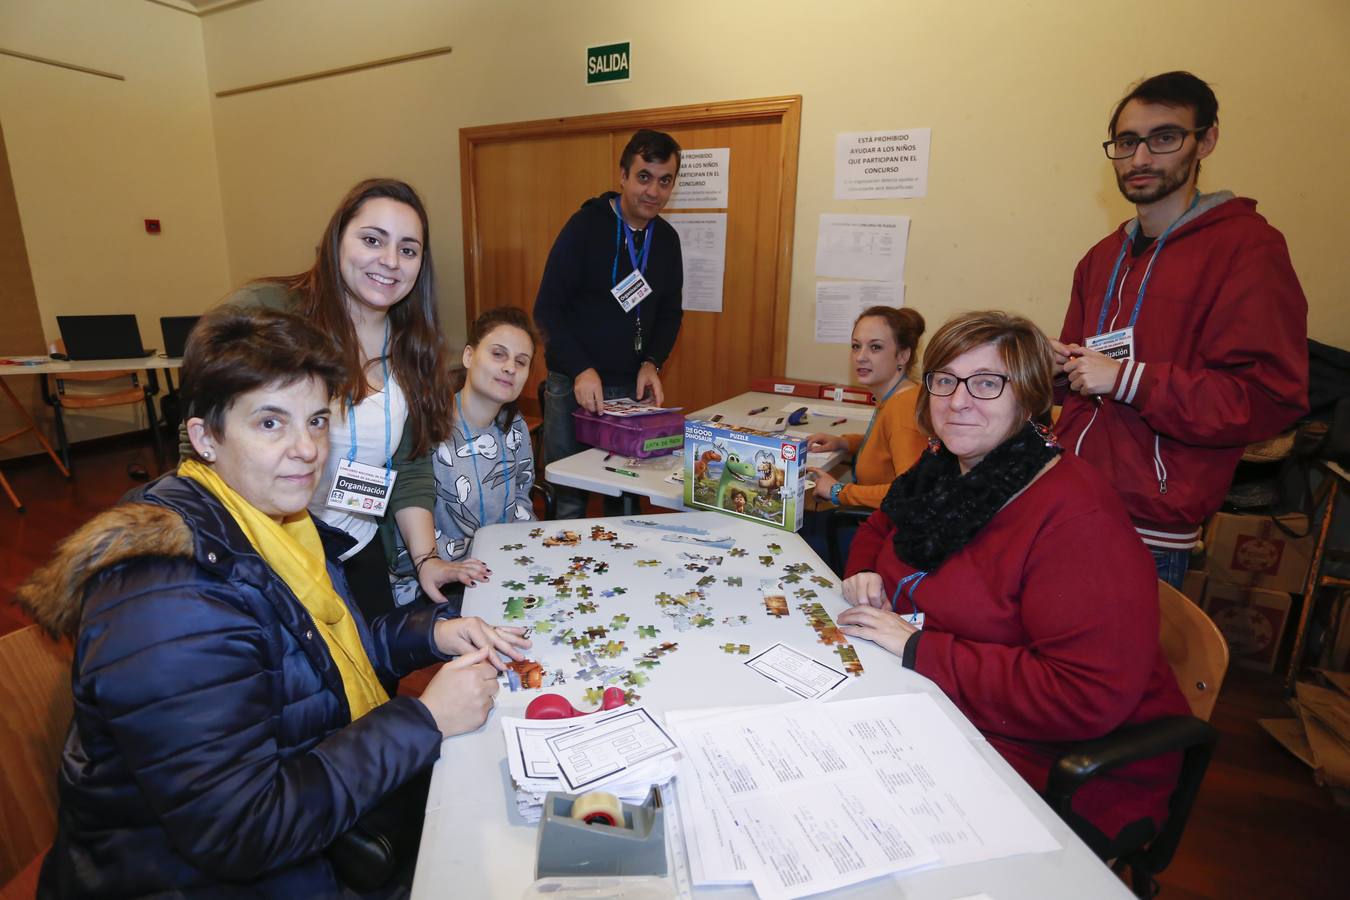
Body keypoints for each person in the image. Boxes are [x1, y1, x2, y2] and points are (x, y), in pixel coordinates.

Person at [16, 307, 530, 897]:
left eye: (315, 421)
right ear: (205, 436)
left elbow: (325, 657)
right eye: (269, 424)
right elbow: (244, 831)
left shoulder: (278, 525)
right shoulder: (166, 597)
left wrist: (433, 633)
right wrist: (425, 718)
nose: (306, 449)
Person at [836, 310, 1189, 852]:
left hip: (1053, 763)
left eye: (986, 384)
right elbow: (884, 522)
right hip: (938, 704)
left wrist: (920, 649)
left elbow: (1083, 695)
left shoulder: (1075, 519)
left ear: (1027, 399)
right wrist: (863, 569)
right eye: (945, 380)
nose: (958, 401)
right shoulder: (945, 460)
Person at [1052, 71, 1308, 588]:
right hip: (1066, 503)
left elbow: (1265, 398)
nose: (1140, 158)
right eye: (1127, 142)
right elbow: (1080, 384)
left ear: (1205, 141)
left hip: (1148, 532)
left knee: (1118, 669)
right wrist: (1053, 368)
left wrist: (1129, 380)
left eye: (1164, 137)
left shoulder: (1247, 249)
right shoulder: (1101, 258)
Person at [215, 178, 463, 620]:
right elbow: (202, 445)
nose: (390, 262)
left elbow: (409, 467)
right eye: (372, 240)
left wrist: (427, 559)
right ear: (336, 240)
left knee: (378, 674)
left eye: (408, 250)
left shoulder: (413, 346)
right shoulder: (267, 314)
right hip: (266, 553)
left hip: (356, 542)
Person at [534, 129, 685, 519]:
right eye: (644, 177)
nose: (653, 191)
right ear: (623, 176)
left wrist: (653, 361)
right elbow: (547, 309)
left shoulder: (666, 240)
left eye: (664, 180)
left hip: (630, 391)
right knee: (568, 492)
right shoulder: (585, 227)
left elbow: (671, 312)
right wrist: (581, 368)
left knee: (628, 493)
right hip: (574, 384)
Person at [388, 307, 540, 605]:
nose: (510, 367)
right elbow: (406, 532)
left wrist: (530, 552)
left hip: (500, 574)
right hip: (433, 589)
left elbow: (522, 499)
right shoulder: (427, 425)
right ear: (469, 356)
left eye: (521, 362)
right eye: (498, 354)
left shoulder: (517, 427)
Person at [804, 306, 927, 508]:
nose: (861, 356)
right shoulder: (899, 395)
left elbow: (909, 494)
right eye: (856, 346)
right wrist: (844, 443)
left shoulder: (903, 408)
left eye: (875, 347)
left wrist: (839, 491)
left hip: (884, 532)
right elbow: (885, 444)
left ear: (903, 356)